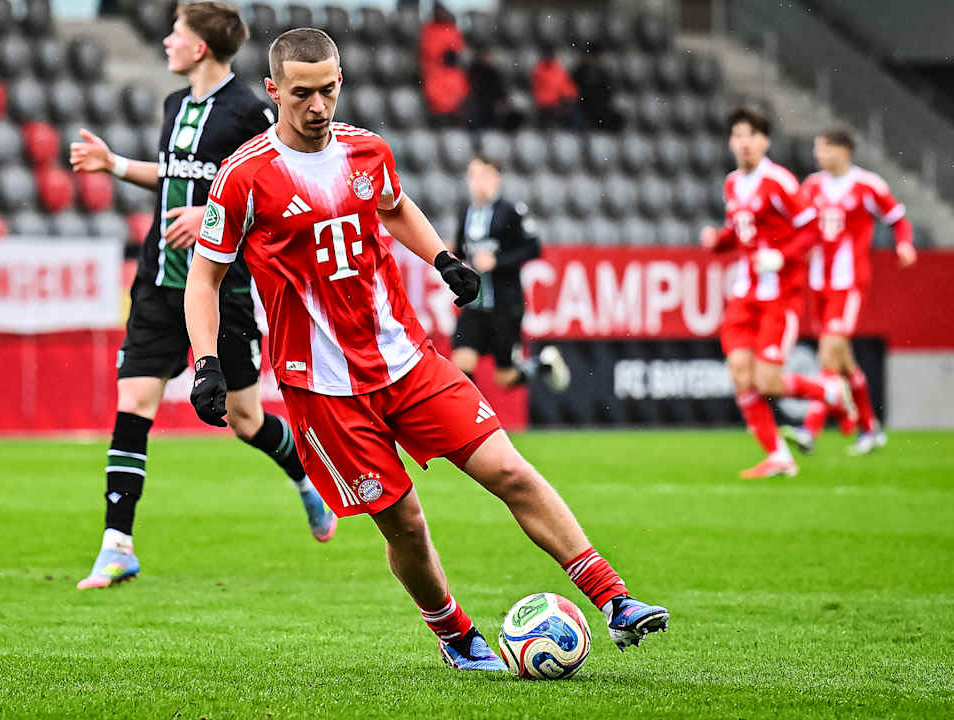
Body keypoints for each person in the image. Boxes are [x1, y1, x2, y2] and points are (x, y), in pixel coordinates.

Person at [185, 27, 669, 671]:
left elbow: (396, 207)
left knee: (509, 471)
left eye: (329, 89)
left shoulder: (368, 151)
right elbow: (205, 276)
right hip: (324, 389)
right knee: (405, 522)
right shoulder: (245, 176)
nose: (319, 106)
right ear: (273, 91)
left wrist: (444, 258)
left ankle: (615, 599)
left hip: (407, 359)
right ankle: (456, 633)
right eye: (302, 94)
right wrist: (206, 362)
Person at [68, 2, 336, 590]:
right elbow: (174, 176)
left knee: (244, 420)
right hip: (160, 283)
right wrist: (113, 164)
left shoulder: (247, 110)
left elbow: (276, 181)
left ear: (202, 48)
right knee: (134, 402)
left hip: (222, 290)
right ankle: (118, 545)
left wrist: (210, 214)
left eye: (177, 34)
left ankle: (304, 476)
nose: (167, 41)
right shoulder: (174, 105)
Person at [699, 108, 856, 479]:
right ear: (730, 143)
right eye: (738, 136)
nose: (744, 143)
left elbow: (812, 229)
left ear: (765, 142)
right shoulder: (732, 184)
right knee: (740, 374)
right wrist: (717, 242)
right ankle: (779, 455)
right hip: (744, 294)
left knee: (767, 382)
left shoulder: (780, 182)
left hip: (779, 296)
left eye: (751, 135)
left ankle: (829, 393)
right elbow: (739, 233)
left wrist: (781, 256)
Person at [782, 129, 916, 456]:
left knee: (829, 351)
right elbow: (798, 224)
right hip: (818, 283)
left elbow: (897, 218)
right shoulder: (812, 185)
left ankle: (809, 430)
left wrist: (904, 243)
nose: (818, 156)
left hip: (849, 282)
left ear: (843, 151)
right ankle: (869, 429)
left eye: (823, 149)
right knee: (843, 361)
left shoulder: (867, 184)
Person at [450, 154, 569, 393]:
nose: (477, 181)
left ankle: (544, 366)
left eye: (483, 175)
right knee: (461, 364)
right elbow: (462, 249)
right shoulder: (466, 212)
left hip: (505, 305)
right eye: (473, 175)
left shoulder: (511, 211)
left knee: (505, 378)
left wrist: (497, 261)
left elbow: (533, 248)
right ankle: (472, 424)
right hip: (474, 305)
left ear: (496, 179)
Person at [531, 45, 579, 130]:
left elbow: (567, 88)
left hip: (558, 104)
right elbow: (541, 93)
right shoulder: (539, 71)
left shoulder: (558, 70)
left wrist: (568, 98)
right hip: (546, 106)